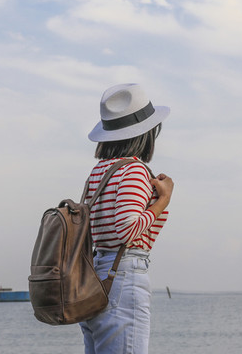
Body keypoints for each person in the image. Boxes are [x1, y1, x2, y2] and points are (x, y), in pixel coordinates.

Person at [79, 83, 174, 354]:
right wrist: (163, 201)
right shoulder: (133, 170)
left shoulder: (98, 172)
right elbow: (128, 230)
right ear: (147, 133)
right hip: (123, 275)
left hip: (96, 274)